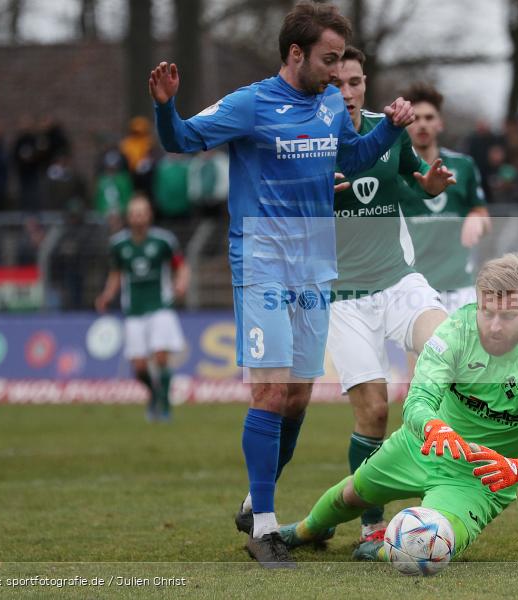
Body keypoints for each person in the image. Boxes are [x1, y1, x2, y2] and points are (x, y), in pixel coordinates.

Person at [148, 1, 416, 566]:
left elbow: (352, 152)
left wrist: (389, 130)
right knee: (268, 391)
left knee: (296, 397)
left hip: (316, 267)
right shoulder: (250, 103)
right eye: (329, 60)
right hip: (263, 262)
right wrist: (165, 108)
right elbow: (182, 141)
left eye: (343, 61)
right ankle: (265, 529)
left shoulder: (325, 104)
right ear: (296, 54)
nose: (338, 74)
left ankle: (255, 498)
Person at [240, 46, 453, 545]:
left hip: (399, 282)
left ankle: (434, 476)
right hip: (338, 298)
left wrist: (430, 184)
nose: (348, 93)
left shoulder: (388, 129)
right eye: (336, 84)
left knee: (446, 346)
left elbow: (412, 183)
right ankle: (370, 525)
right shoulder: (302, 139)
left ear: (364, 84)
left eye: (355, 82)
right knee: (368, 411)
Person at [277, 253, 518, 562]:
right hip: (423, 445)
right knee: (355, 492)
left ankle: (382, 551)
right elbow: (418, 400)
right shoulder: (455, 332)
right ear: (477, 302)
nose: (495, 327)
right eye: (487, 313)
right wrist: (432, 426)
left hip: (482, 476)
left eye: (508, 315)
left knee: (431, 544)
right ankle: (307, 530)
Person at [95, 195, 189, 421]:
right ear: (129, 216)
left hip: (160, 306)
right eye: (134, 213)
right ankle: (155, 394)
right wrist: (107, 295)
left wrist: (181, 283)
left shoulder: (163, 241)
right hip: (134, 310)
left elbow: (181, 266)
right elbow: (116, 274)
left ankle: (165, 407)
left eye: (142, 212)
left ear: (149, 215)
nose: (138, 217)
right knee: (138, 366)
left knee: (160, 357)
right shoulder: (118, 245)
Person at [402, 82, 491, 313]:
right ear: (406, 123)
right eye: (416, 117)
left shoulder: (464, 166)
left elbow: (483, 215)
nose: (422, 123)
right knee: (422, 350)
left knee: (466, 349)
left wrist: (476, 216)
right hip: (414, 284)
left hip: (459, 284)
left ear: (439, 123)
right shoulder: (394, 170)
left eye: (429, 117)